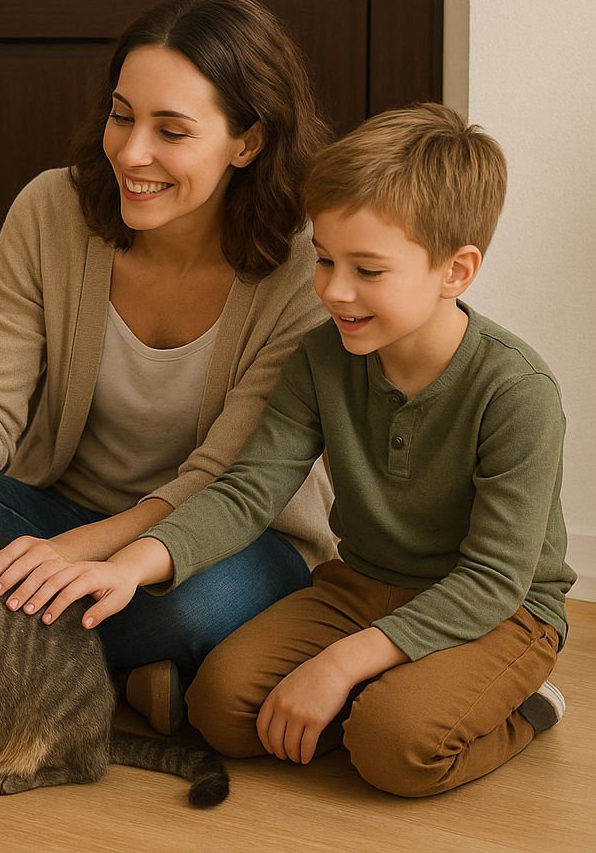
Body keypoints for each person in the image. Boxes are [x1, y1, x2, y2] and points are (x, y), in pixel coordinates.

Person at [50, 104, 574, 796]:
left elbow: (494, 579)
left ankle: (524, 706)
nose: (334, 290)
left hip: (499, 609)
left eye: (368, 270)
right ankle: (377, 695)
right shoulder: (322, 358)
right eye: (325, 260)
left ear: (456, 271)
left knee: (393, 749)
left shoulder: (517, 391)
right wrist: (128, 566)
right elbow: (247, 492)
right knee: (219, 710)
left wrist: (339, 664)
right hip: (363, 585)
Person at [0, 0, 340, 735]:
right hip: (56, 504)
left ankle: (14, 679)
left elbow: (221, 479)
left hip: (232, 534)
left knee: (191, 607)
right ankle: (118, 681)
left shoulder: (307, 267)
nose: (131, 153)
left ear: (247, 141)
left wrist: (67, 559)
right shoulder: (50, 210)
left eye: (171, 131)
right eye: (122, 116)